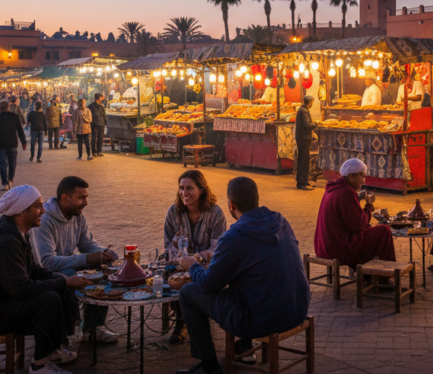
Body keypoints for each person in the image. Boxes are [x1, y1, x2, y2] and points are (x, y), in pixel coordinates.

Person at [175, 177, 310, 374]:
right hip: (296, 308)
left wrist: (192, 265)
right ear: (256, 199)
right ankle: (244, 348)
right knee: (243, 286)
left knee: (188, 292)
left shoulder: (235, 236)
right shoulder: (280, 221)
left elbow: (208, 284)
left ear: (231, 205)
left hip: (263, 318)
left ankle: (209, 367)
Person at [0, 185, 88, 374]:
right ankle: (40, 365)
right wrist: (63, 282)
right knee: (47, 300)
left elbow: (32, 270)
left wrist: (63, 278)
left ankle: (53, 350)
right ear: (22, 212)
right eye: (37, 206)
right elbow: (21, 289)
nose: (42, 211)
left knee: (59, 282)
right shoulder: (6, 242)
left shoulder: (15, 233)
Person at [30, 176, 120, 345]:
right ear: (65, 198)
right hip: (43, 275)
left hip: (66, 266)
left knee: (102, 271)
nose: (85, 202)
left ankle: (93, 328)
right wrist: (87, 258)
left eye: (86, 197)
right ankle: (70, 332)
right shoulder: (45, 220)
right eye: (81, 198)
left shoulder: (77, 214)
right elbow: (47, 262)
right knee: (69, 275)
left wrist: (105, 253)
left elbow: (87, 244)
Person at [163, 170, 228, 344]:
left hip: (207, 267)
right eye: (181, 188)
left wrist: (196, 258)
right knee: (172, 279)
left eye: (190, 188)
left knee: (197, 282)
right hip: (179, 266)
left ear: (202, 190)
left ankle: (199, 317)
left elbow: (218, 249)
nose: (184, 193)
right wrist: (175, 246)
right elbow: (167, 246)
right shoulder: (173, 212)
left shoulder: (215, 213)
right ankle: (181, 321)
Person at [314, 158, 396, 271]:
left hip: (322, 246)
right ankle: (384, 275)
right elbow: (358, 226)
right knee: (383, 231)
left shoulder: (332, 187)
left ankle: (371, 274)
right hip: (338, 249)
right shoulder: (347, 191)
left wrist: (358, 198)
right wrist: (368, 206)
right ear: (351, 176)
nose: (363, 180)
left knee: (372, 230)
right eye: (361, 176)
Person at [0, 100, 27, 191]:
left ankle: (5, 183)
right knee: (12, 163)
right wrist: (24, 142)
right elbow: (20, 130)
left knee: (3, 165)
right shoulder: (14, 117)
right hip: (12, 144)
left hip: (0, 144)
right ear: (8, 107)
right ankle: (10, 180)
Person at [294, 95, 318, 190]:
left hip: (302, 138)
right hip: (303, 138)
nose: (312, 104)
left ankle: (302, 181)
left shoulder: (302, 110)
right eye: (312, 102)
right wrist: (315, 124)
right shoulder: (304, 111)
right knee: (304, 160)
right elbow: (307, 125)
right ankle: (302, 183)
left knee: (302, 160)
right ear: (310, 102)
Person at [89, 93, 107, 157]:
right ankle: (94, 152)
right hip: (94, 124)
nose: (102, 99)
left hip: (101, 124)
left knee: (100, 138)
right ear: (99, 98)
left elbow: (104, 115)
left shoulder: (102, 106)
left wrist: (105, 123)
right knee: (94, 138)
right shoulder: (91, 106)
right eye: (101, 97)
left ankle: (99, 151)